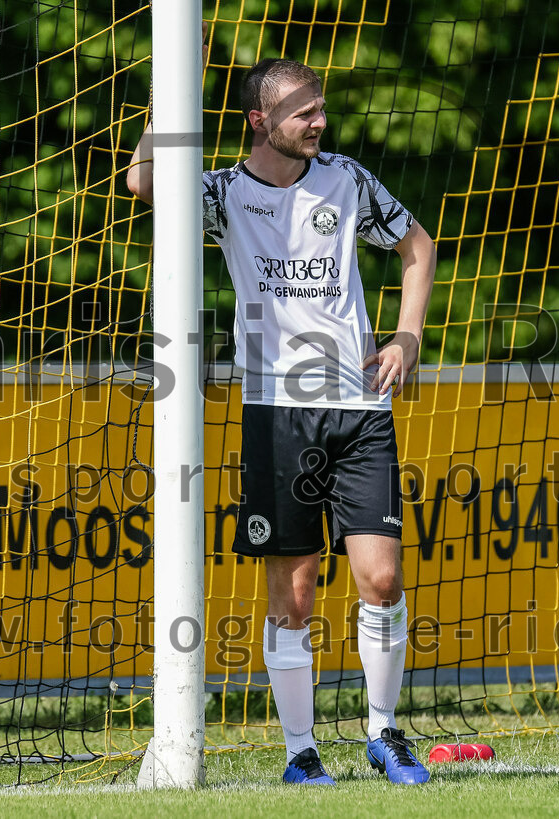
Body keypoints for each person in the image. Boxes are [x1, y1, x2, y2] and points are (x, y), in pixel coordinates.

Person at [127, 53, 437, 786]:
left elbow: (417, 248)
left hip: (360, 407)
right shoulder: (224, 194)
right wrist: (169, 85)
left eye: (322, 109)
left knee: (382, 577)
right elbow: (142, 182)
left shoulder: (347, 178)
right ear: (261, 121)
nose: (321, 123)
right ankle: (301, 753)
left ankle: (385, 733)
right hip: (276, 412)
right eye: (306, 114)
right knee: (293, 593)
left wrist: (406, 337)